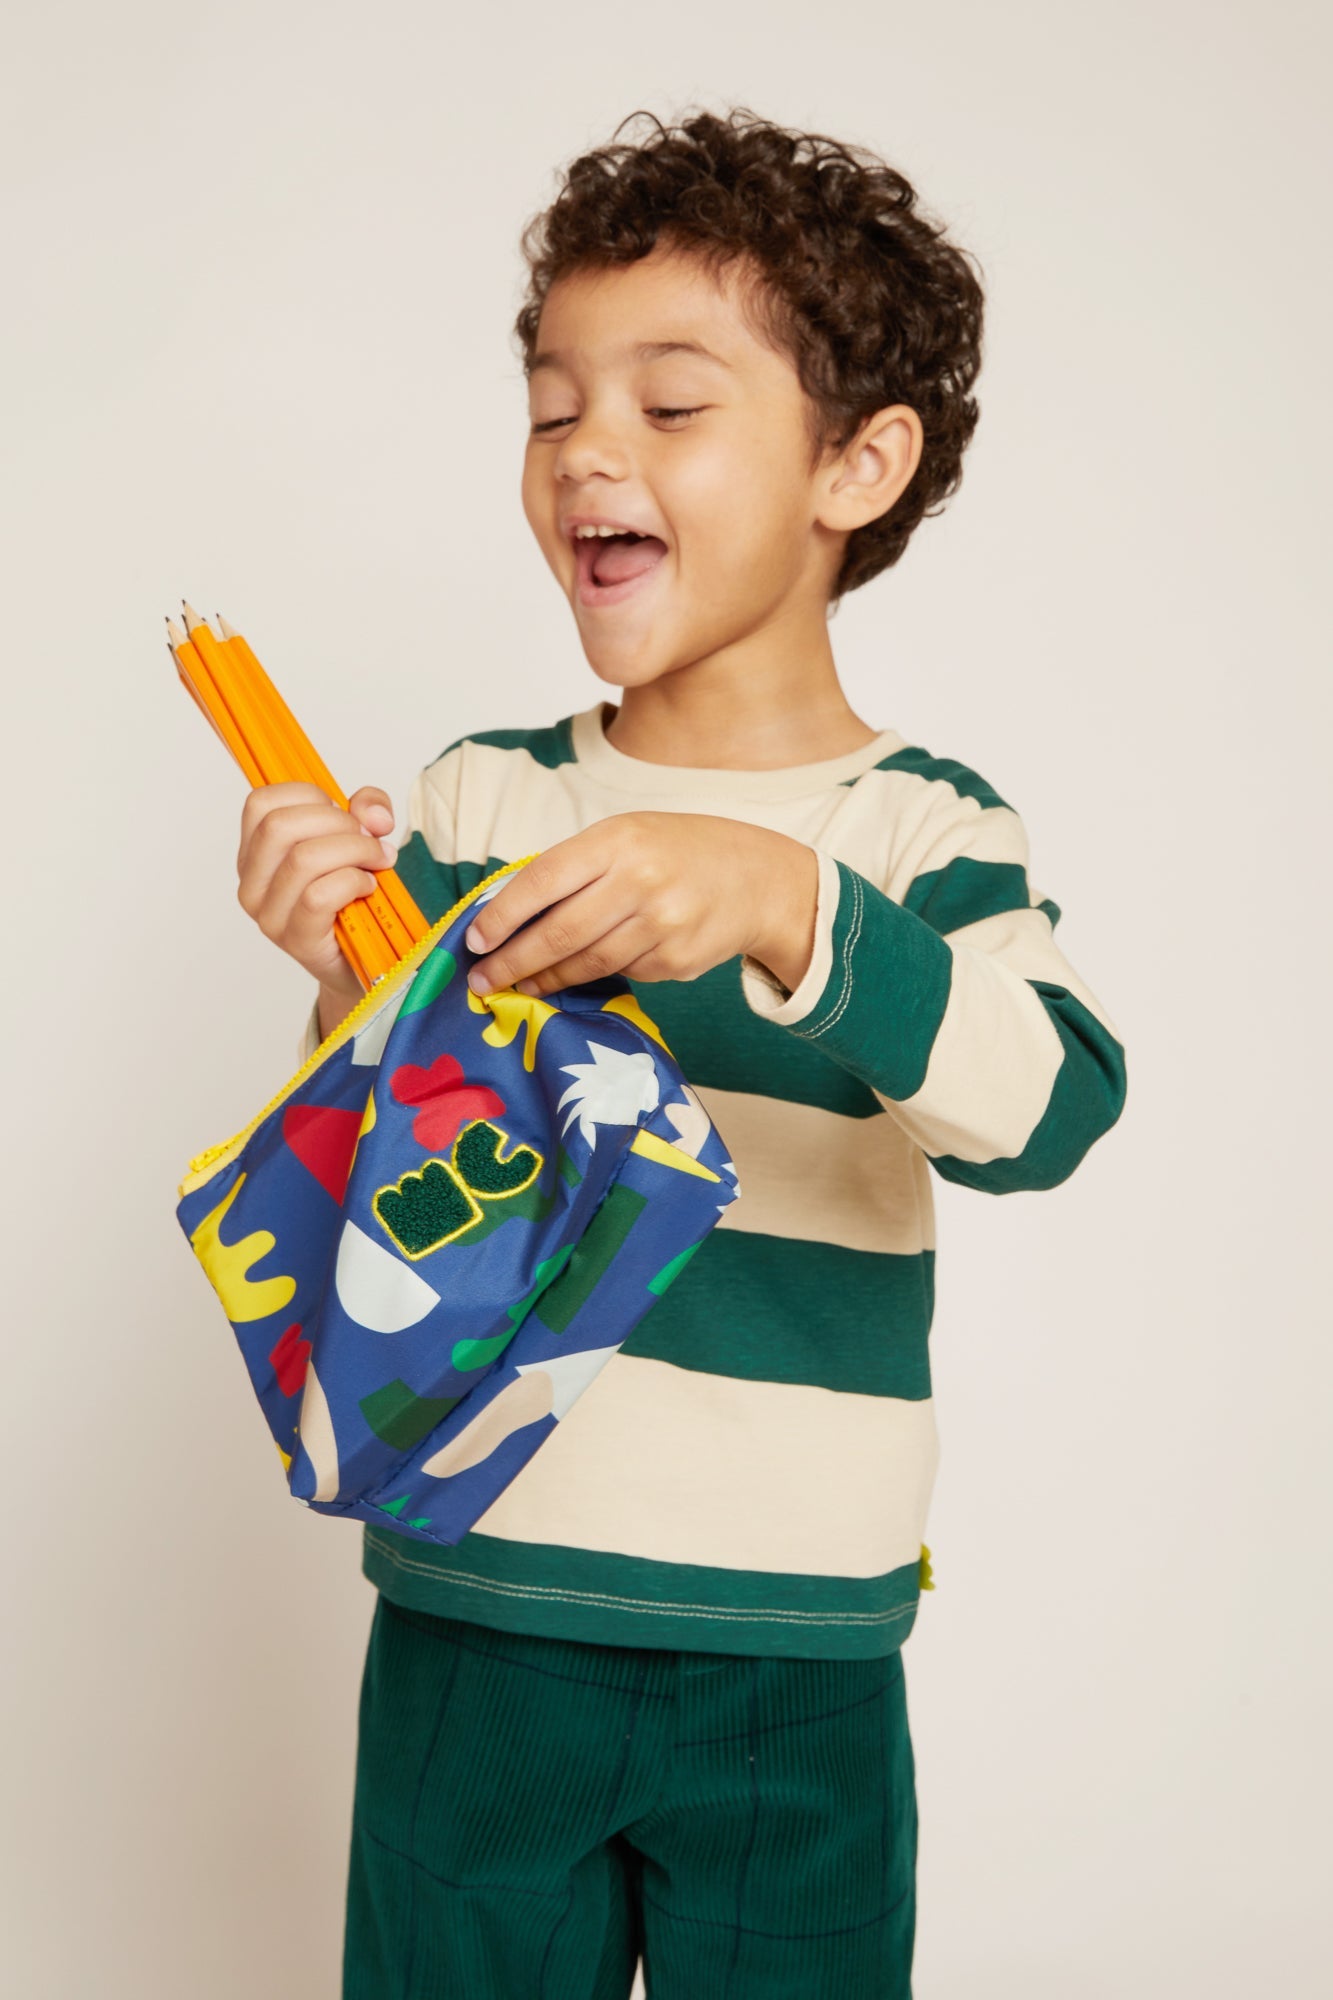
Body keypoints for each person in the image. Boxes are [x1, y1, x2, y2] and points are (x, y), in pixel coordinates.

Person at [234, 104, 1128, 2000]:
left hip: (793, 1656)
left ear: (856, 465)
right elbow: (398, 1181)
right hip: (479, 1617)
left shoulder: (921, 834)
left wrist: (786, 908)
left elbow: (1046, 1112)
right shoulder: (487, 793)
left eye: (667, 403)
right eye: (553, 405)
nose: (585, 456)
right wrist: (343, 975)